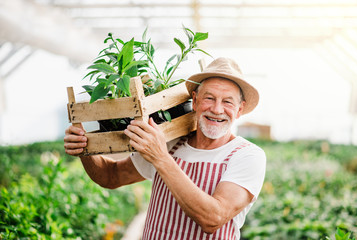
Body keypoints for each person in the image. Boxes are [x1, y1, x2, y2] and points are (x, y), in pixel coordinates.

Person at [64, 57, 266, 240]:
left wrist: (160, 157)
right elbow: (111, 176)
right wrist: (84, 147)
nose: (217, 109)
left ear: (240, 109)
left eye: (227, 102)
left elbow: (213, 218)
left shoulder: (246, 155)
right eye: (209, 98)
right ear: (195, 101)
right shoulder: (171, 142)